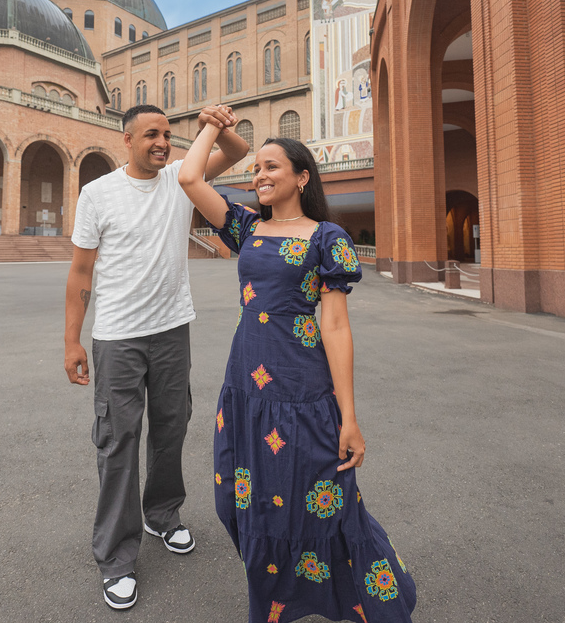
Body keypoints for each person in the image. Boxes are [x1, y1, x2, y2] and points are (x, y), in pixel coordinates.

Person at [178, 128, 417, 623]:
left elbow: (334, 326)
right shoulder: (246, 228)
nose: (259, 175)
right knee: (238, 499)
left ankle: (359, 599)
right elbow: (188, 176)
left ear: (301, 177)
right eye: (257, 167)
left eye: (272, 167)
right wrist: (212, 127)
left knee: (321, 501)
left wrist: (349, 417)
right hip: (245, 385)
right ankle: (278, 599)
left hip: (302, 388)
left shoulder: (328, 238)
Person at [64, 103, 249, 610]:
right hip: (118, 337)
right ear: (127, 140)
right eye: (151, 134)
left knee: (171, 427)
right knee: (118, 439)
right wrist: (72, 341)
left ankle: (162, 516)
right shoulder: (97, 194)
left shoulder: (179, 181)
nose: (163, 142)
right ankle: (116, 556)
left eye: (168, 134)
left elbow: (237, 152)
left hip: (171, 331)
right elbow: (81, 272)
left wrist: (216, 124)